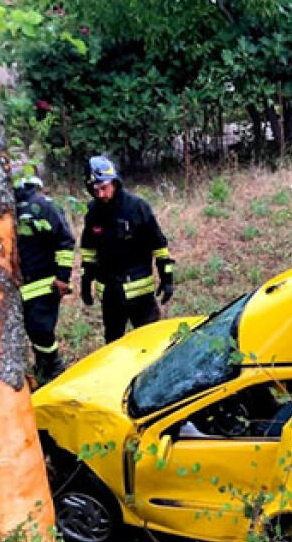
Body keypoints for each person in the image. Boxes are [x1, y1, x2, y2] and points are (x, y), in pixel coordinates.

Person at [78, 156, 175, 343]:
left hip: (140, 292)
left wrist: (167, 278)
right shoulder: (93, 212)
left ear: (114, 182)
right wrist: (85, 281)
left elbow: (159, 245)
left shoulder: (137, 207)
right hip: (110, 294)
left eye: (104, 188)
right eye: (95, 190)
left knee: (151, 341)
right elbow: (89, 251)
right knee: (114, 344)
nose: (100, 194)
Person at [13, 174, 75, 385]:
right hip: (21, 285)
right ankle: (44, 367)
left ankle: (53, 368)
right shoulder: (7, 211)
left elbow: (64, 242)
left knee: (40, 329)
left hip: (43, 283)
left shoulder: (44, 207)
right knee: (35, 330)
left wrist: (62, 277)